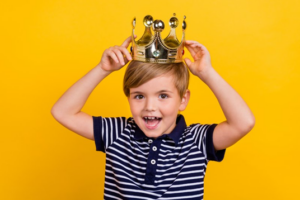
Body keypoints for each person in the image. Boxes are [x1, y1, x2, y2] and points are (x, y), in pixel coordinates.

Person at [51, 36, 255, 199]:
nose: (150, 107)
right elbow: (63, 112)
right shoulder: (117, 133)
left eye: (163, 96)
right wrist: (102, 70)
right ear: (128, 97)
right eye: (139, 96)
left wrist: (207, 73)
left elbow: (243, 123)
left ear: (183, 100)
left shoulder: (197, 140)